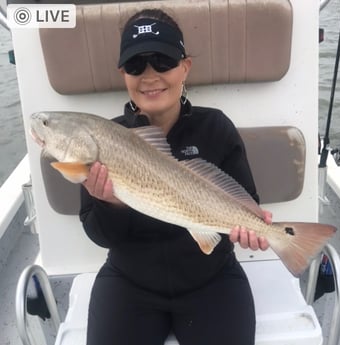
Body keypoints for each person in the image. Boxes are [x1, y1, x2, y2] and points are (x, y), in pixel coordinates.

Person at [80, 8, 271, 345]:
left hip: (212, 279)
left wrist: (250, 228)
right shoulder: (104, 138)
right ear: (123, 73)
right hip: (129, 282)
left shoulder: (216, 128)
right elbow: (99, 234)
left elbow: (247, 204)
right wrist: (110, 204)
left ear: (185, 66)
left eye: (163, 61)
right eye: (137, 66)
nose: (150, 76)